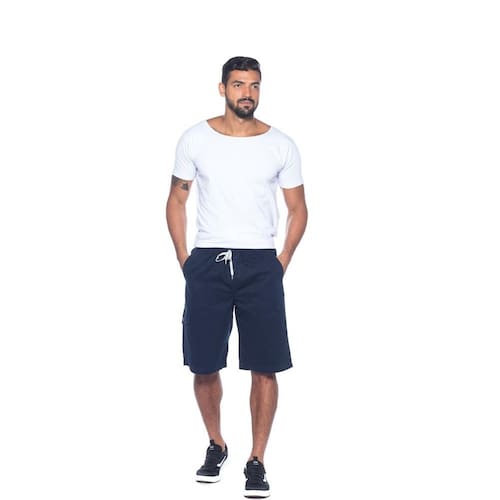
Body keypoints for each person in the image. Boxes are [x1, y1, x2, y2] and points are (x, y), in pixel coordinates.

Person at [166, 56, 307, 498]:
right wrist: (185, 259)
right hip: (208, 261)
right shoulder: (195, 138)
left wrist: (282, 259)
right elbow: (176, 199)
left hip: (261, 262)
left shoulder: (280, 144)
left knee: (265, 365)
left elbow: (298, 208)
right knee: (204, 363)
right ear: (222, 88)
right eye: (239, 84)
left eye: (254, 85)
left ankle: (256, 460)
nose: (248, 93)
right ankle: (217, 443)